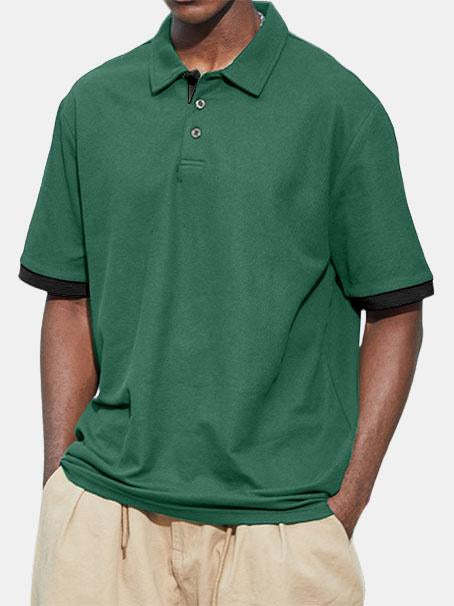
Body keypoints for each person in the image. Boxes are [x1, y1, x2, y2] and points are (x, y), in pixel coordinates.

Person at [19, 1, 434, 604]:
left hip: (280, 533)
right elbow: (69, 300)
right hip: (103, 525)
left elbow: (395, 313)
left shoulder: (339, 107)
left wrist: (344, 506)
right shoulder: (93, 103)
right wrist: (58, 486)